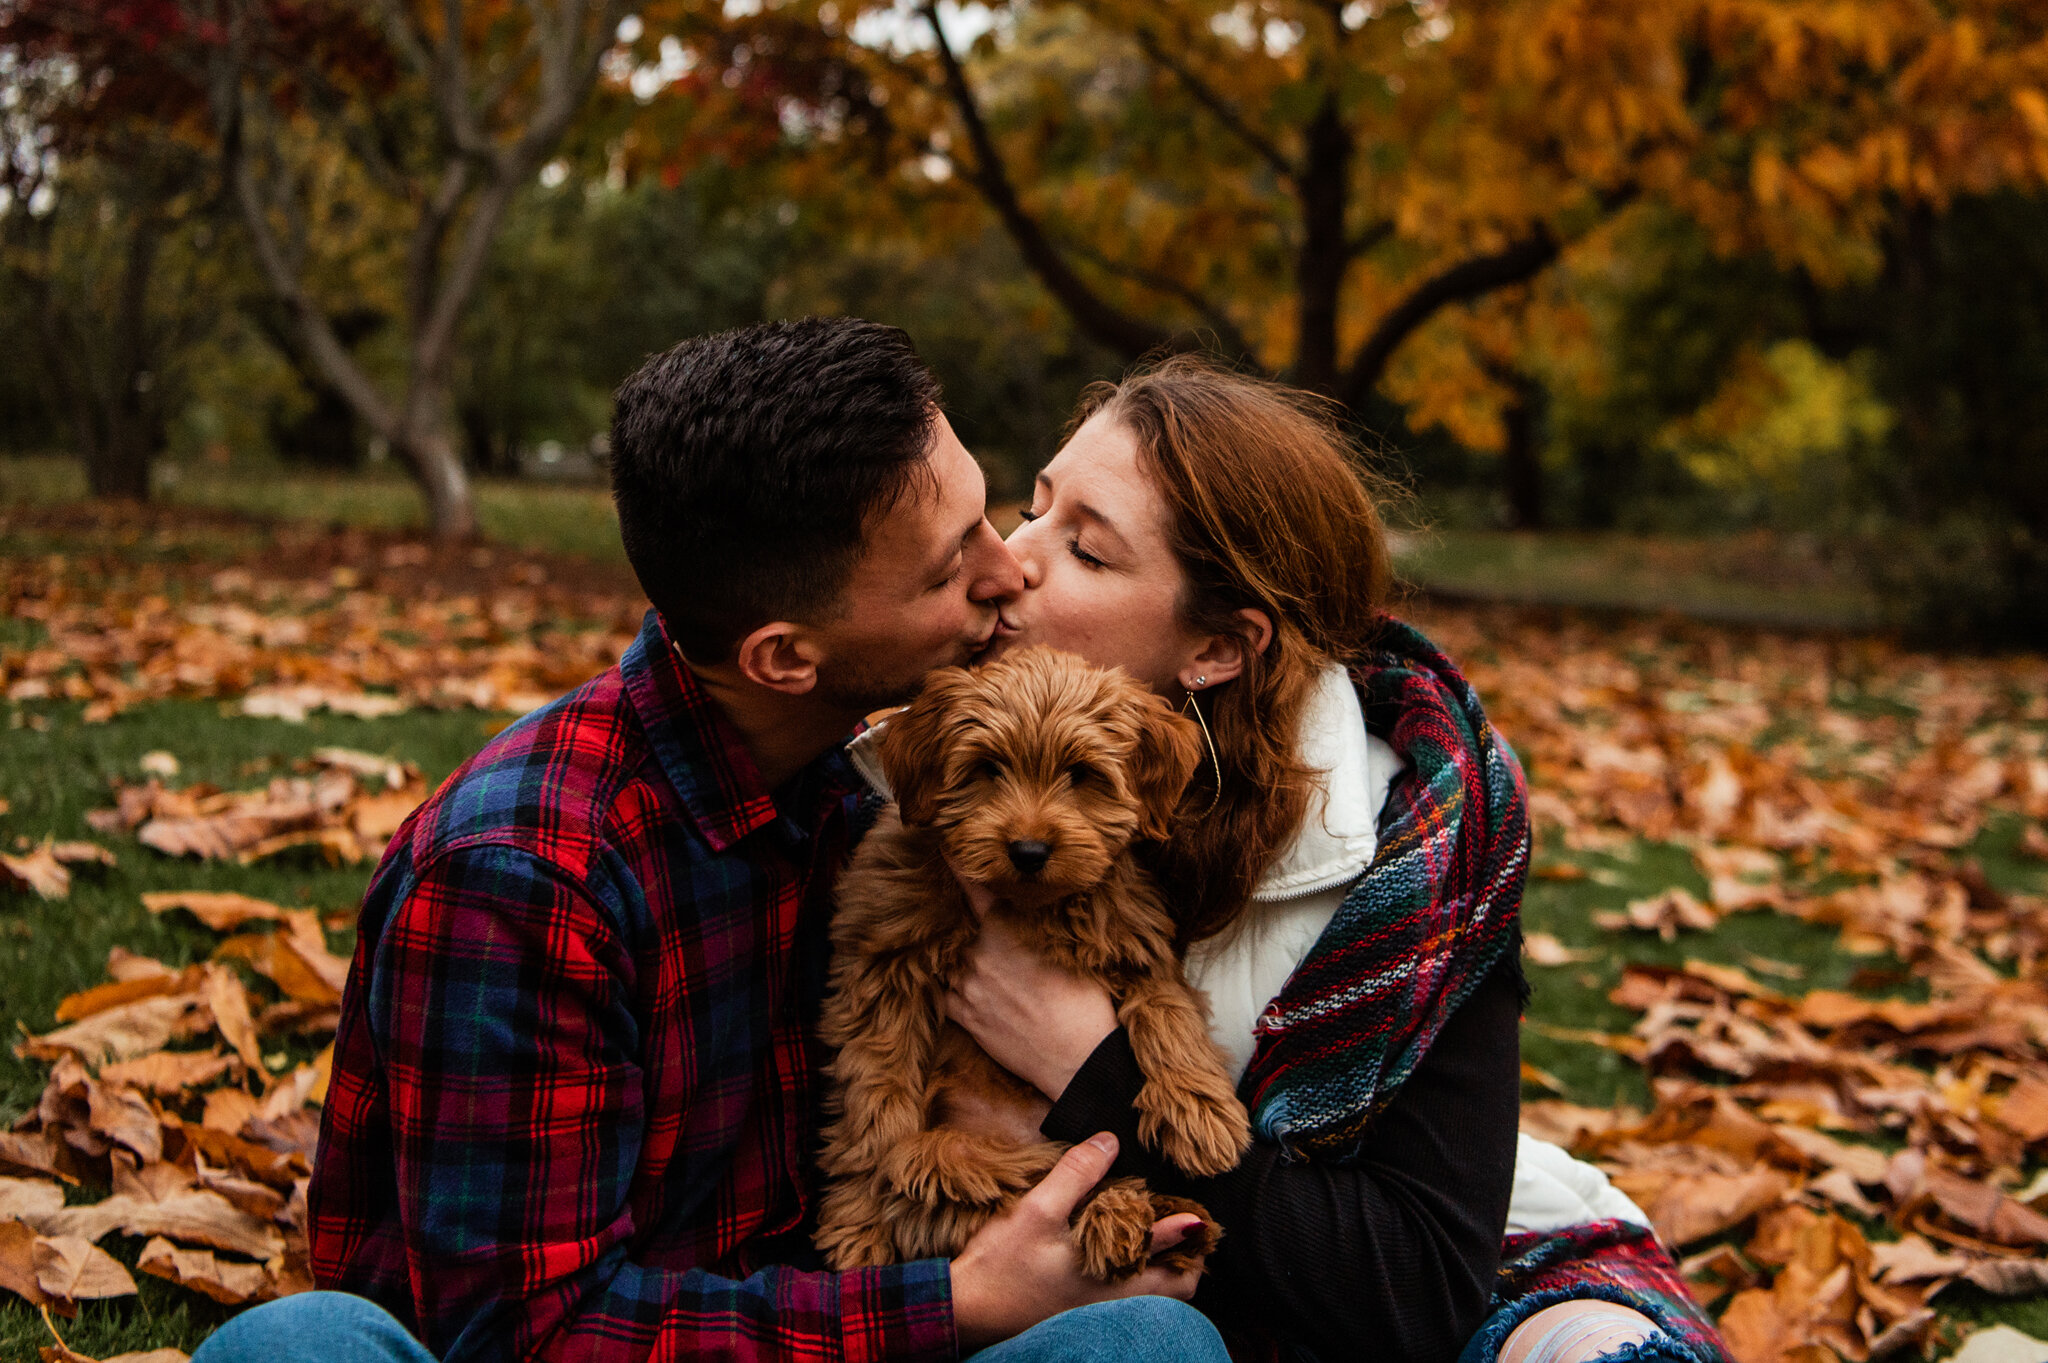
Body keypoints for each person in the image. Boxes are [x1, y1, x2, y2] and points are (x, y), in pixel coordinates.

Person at [192, 319, 1231, 1363]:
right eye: (945, 567)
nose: (1009, 572)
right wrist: (955, 1302)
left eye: (984, 516)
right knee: (299, 1343)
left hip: (834, 1319)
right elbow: (522, 1334)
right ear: (784, 656)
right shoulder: (520, 876)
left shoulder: (867, 798)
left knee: (1153, 1341)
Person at [931, 357, 1732, 1363]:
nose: (1010, 561)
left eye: (1085, 550)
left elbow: (1415, 1283)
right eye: (1032, 508)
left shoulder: (1415, 849)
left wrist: (1091, 1067)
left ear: (1218, 648)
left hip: (1392, 1284)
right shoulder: (915, 768)